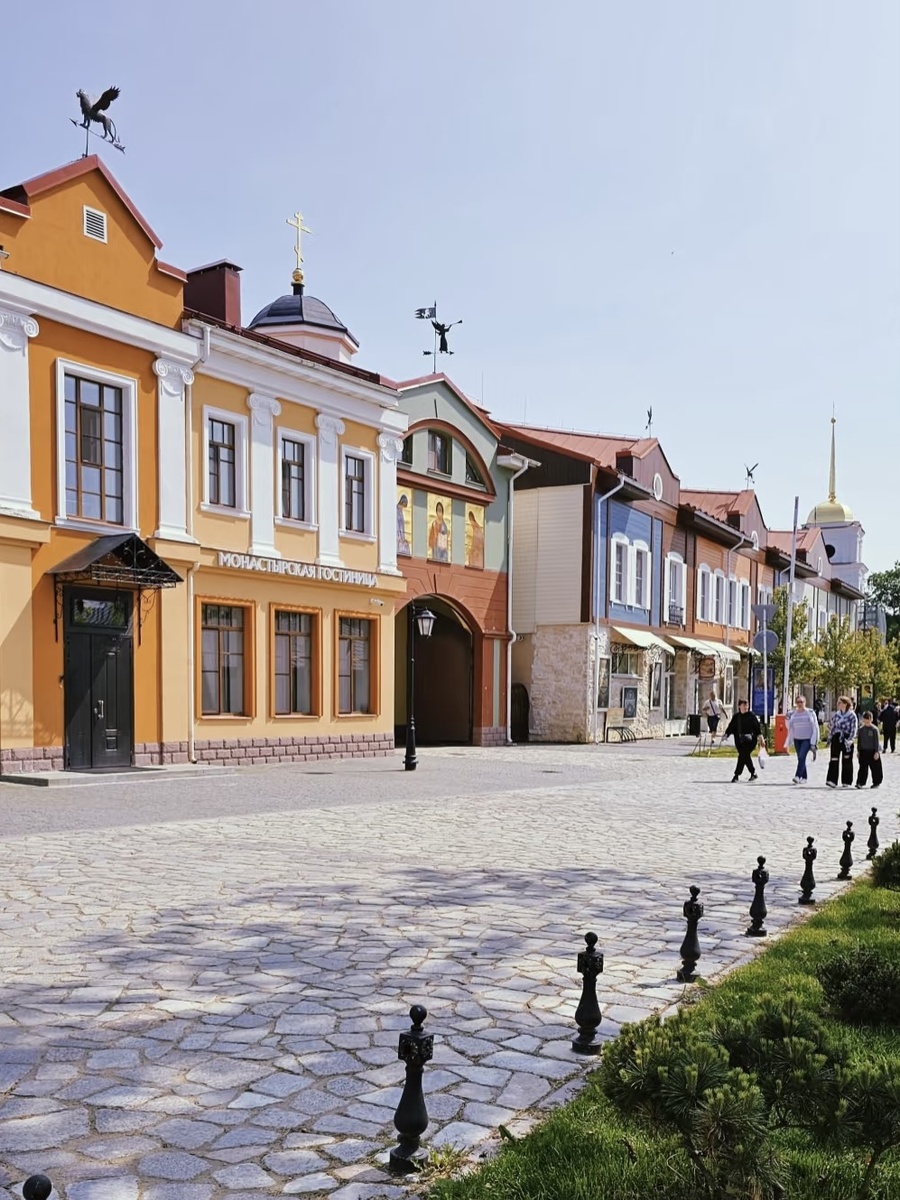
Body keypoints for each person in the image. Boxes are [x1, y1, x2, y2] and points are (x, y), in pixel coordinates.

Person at [724, 699, 761, 782]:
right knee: (745, 756)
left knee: (743, 755)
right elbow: (731, 727)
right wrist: (726, 734)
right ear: (739, 706)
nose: (745, 707)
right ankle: (753, 773)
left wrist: (760, 737)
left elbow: (757, 727)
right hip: (740, 741)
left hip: (750, 740)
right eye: (744, 705)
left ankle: (736, 775)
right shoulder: (736, 717)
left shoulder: (751, 716)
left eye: (747, 705)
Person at [786, 695, 820, 784]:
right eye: (798, 702)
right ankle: (804, 777)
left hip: (807, 739)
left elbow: (815, 727)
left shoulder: (810, 713)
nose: (800, 704)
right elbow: (789, 726)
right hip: (797, 738)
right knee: (800, 758)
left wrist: (814, 741)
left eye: (801, 702)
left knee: (802, 756)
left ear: (805, 703)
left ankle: (797, 776)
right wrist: (787, 719)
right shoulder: (793, 713)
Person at [826, 696, 858, 788]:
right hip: (837, 737)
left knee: (847, 759)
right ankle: (832, 780)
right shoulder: (837, 714)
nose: (838, 704)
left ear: (845, 704)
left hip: (847, 738)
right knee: (834, 759)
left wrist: (851, 739)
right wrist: (829, 739)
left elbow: (854, 728)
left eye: (840, 703)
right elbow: (832, 727)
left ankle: (846, 781)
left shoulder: (852, 715)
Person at [855, 711, 883, 789]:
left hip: (872, 751)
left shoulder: (874, 729)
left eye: (868, 721)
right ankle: (860, 782)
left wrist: (877, 751)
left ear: (871, 719)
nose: (866, 722)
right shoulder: (861, 730)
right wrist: (858, 751)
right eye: (865, 721)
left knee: (875, 768)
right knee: (862, 768)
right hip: (863, 750)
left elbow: (876, 741)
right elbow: (859, 741)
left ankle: (876, 782)